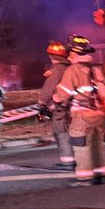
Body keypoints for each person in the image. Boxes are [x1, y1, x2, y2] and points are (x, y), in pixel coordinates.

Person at [54, 35, 105, 185]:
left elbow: (63, 94)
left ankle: (85, 178)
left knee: (82, 146)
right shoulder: (96, 69)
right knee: (97, 145)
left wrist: (55, 99)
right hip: (99, 114)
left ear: (73, 53)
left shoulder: (73, 70)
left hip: (82, 116)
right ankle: (101, 174)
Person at [37, 40, 75, 170]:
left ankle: (67, 161)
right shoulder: (70, 68)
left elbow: (48, 88)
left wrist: (42, 103)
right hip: (71, 106)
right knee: (71, 132)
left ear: (51, 56)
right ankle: (76, 158)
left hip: (59, 107)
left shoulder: (57, 70)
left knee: (61, 132)